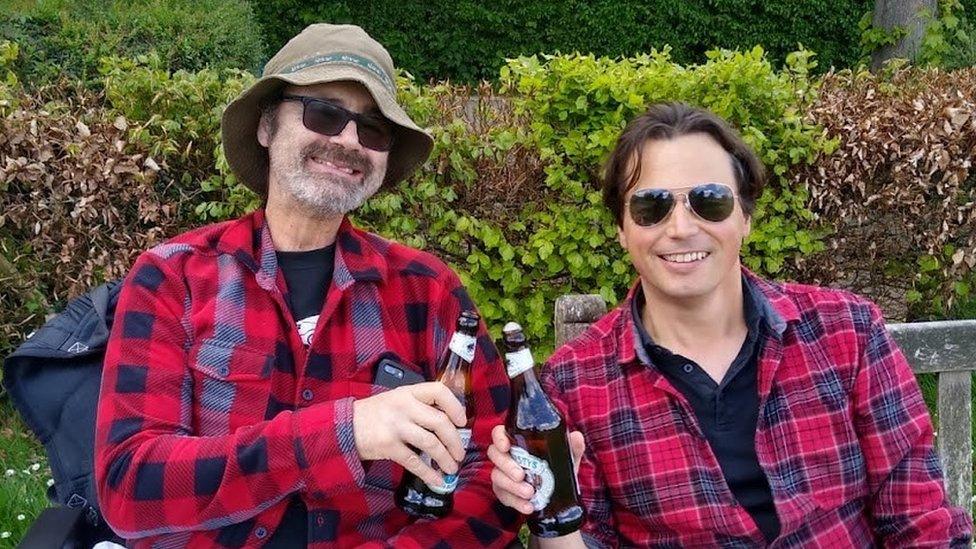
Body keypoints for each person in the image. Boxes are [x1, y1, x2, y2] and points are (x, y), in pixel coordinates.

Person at [94, 23, 518, 547]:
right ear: (267, 126)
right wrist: (343, 433)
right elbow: (130, 486)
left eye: (373, 129)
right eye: (324, 113)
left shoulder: (428, 290)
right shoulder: (173, 277)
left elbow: (493, 467)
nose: (346, 141)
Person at [488, 102, 973, 547]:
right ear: (621, 228)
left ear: (745, 217)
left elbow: (919, 524)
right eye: (651, 206)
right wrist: (555, 508)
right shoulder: (573, 385)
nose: (680, 228)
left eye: (710, 200)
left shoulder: (848, 332)